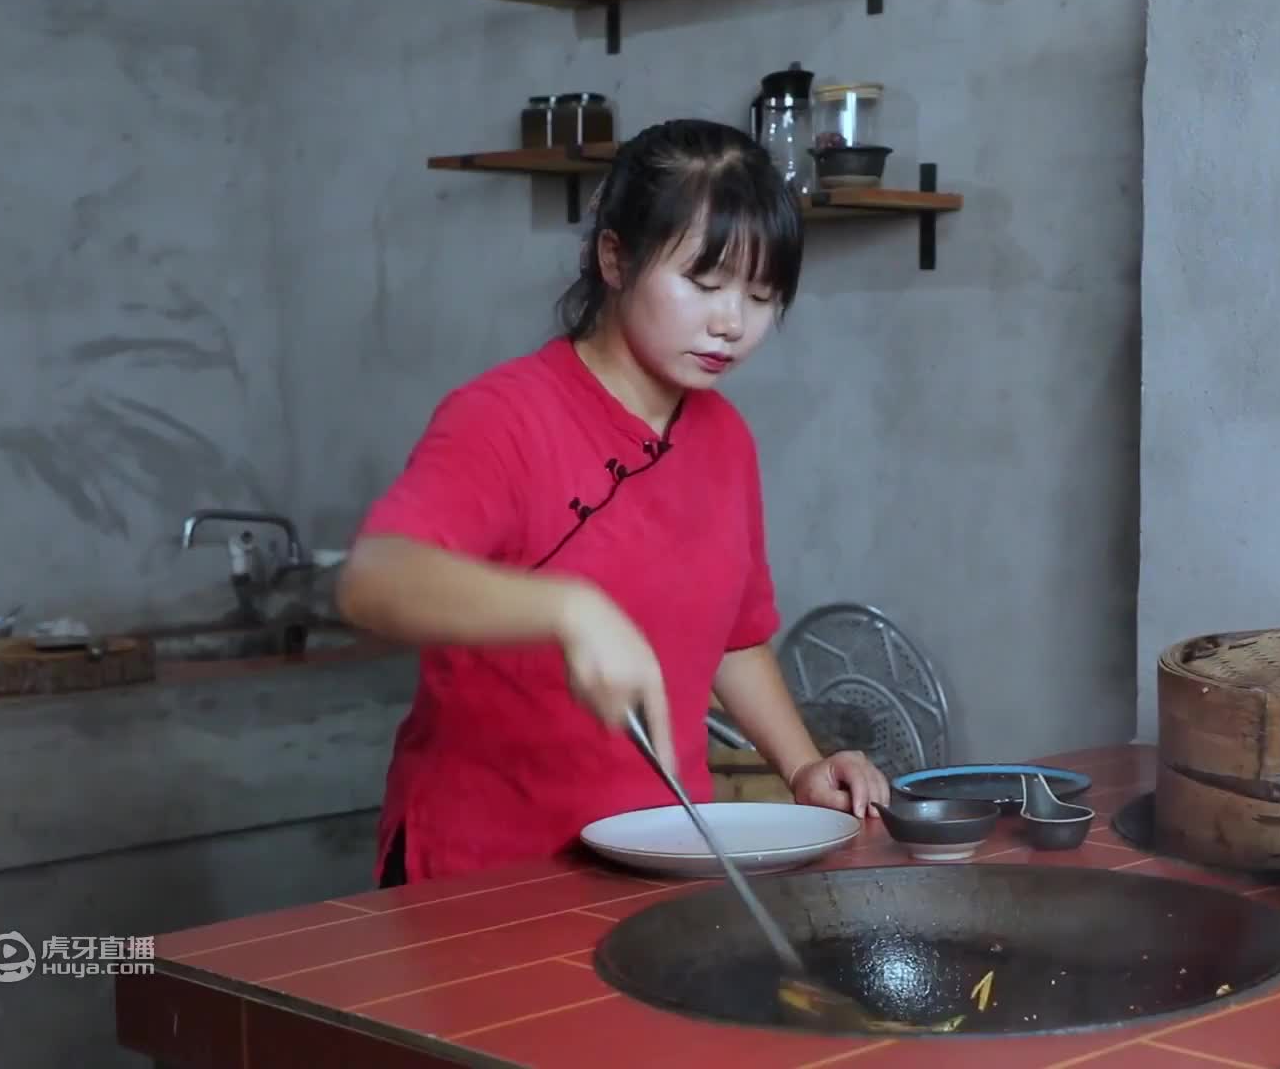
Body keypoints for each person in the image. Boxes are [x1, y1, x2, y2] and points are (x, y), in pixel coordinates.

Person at [336, 119, 890, 888]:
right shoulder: (503, 416)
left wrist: (802, 767)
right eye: (703, 283)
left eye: (761, 296)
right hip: (482, 873)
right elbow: (374, 578)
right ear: (615, 258)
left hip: (663, 859)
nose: (732, 322)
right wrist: (567, 610)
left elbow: (732, 637)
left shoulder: (725, 438)